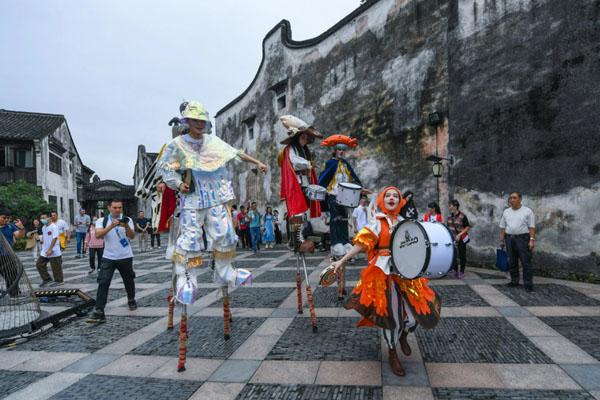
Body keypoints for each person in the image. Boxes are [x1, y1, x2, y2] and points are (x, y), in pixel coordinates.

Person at [330, 187, 440, 376]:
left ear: (400, 201)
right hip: (384, 275)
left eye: (395, 196)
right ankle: (392, 352)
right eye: (387, 195)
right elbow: (360, 244)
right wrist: (341, 260)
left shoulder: (406, 223)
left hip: (406, 275)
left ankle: (404, 335)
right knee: (392, 319)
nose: (391, 198)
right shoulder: (377, 222)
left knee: (414, 318)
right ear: (382, 200)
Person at [155, 100, 267, 288]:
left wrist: (257, 162)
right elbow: (166, 168)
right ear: (187, 122)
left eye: (202, 120)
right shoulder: (177, 145)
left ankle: (226, 272)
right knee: (191, 237)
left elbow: (235, 152)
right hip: (192, 198)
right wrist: (178, 183)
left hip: (215, 196)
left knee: (224, 233)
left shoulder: (213, 141)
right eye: (195, 120)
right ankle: (187, 277)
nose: (200, 124)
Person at [86, 200, 137, 323]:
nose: (118, 210)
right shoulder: (101, 221)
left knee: (128, 280)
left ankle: (131, 299)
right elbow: (98, 235)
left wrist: (125, 226)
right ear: (109, 208)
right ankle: (99, 311)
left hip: (125, 256)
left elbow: (132, 236)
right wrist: (111, 226)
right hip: (108, 257)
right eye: (115, 207)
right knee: (103, 282)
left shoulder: (127, 220)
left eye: (120, 207)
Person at [318, 135, 364, 260]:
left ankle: (345, 242)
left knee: (344, 220)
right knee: (335, 220)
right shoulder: (330, 163)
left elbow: (353, 178)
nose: (342, 151)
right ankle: (335, 244)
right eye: (339, 149)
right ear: (335, 150)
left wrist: (361, 188)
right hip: (333, 195)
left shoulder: (345, 164)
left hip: (346, 198)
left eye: (343, 149)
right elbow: (323, 179)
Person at [499, 191, 536, 292]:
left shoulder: (527, 211)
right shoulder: (506, 212)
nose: (512, 200)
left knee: (526, 262)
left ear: (520, 199)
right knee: (512, 261)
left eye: (514, 198)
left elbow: (532, 227)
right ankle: (514, 281)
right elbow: (502, 227)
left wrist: (531, 240)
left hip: (523, 239)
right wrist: (502, 240)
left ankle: (528, 284)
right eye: (510, 198)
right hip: (509, 238)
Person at [0, 208, 26, 296]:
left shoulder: (11, 226)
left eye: (8, 218)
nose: (6, 220)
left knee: (12, 275)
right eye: (4, 217)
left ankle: (14, 294)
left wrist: (22, 228)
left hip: (7, 256)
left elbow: (18, 236)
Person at [36, 213, 64, 287]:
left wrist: (50, 249)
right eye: (41, 218)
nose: (42, 219)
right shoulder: (43, 227)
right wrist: (43, 243)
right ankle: (47, 279)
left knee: (55, 266)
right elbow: (45, 237)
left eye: (44, 217)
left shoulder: (54, 227)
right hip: (45, 250)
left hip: (54, 250)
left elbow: (55, 238)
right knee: (39, 264)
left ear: (49, 218)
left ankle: (59, 281)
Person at [446, 200, 471, 279]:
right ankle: (455, 270)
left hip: (461, 238)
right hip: (453, 239)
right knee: (453, 255)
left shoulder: (463, 216)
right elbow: (448, 227)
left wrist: (460, 234)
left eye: (450, 206)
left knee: (462, 255)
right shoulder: (450, 216)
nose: (449, 207)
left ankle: (462, 271)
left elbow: (467, 227)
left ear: (455, 206)